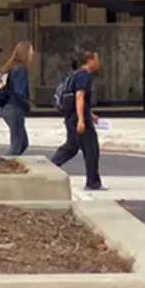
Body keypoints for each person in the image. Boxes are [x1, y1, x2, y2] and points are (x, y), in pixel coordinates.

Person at [51, 50, 104, 191]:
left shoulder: (75, 75)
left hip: (71, 118)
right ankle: (93, 182)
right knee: (91, 149)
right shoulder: (84, 77)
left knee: (71, 147)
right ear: (90, 60)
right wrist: (82, 120)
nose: (98, 62)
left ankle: (49, 166)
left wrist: (91, 114)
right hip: (78, 119)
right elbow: (79, 97)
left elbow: (80, 100)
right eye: (96, 59)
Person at [0, 41, 34, 156]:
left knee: (23, 143)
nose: (32, 53)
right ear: (25, 52)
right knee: (17, 145)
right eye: (31, 50)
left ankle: (9, 164)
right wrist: (27, 105)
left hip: (6, 108)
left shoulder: (11, 68)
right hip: (14, 108)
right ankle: (3, 167)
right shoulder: (20, 70)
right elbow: (19, 92)